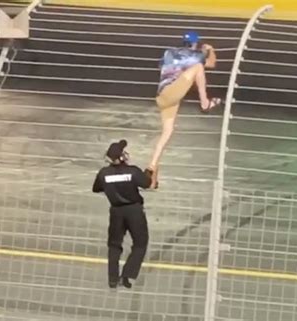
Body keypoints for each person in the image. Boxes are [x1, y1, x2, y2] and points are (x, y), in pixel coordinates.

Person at [146, 30, 221, 189]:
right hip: (173, 92)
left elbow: (161, 65)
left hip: (162, 97)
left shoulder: (168, 52)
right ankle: (204, 103)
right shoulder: (196, 55)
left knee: (167, 132)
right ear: (195, 43)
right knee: (199, 68)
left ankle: (152, 168)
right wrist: (210, 50)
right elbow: (212, 64)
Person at [92, 139, 153, 289]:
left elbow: (96, 188)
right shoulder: (132, 171)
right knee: (140, 243)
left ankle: (112, 279)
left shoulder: (103, 173)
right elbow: (146, 183)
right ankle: (127, 274)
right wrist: (149, 172)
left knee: (114, 245)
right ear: (121, 157)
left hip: (116, 211)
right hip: (134, 211)